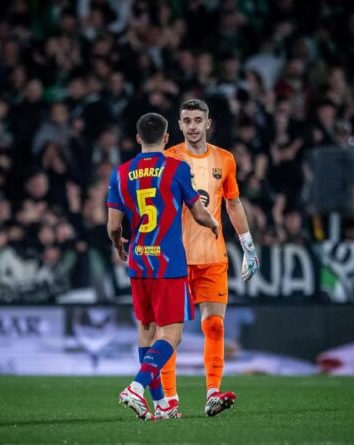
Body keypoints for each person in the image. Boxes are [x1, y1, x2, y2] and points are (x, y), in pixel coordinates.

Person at [107, 113, 219, 420]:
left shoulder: (120, 172)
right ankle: (135, 387)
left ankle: (163, 405)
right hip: (168, 263)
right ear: (167, 138)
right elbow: (198, 212)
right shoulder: (177, 168)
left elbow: (114, 225)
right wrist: (213, 225)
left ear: (138, 137)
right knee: (172, 335)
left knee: (147, 332)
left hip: (138, 261)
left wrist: (120, 245)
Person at [161, 99, 260, 417]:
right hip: (175, 258)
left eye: (197, 120)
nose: (192, 125)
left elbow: (233, 204)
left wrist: (248, 246)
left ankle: (213, 394)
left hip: (213, 258)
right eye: (186, 120)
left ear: (208, 123)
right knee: (169, 332)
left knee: (215, 326)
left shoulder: (224, 159)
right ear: (180, 125)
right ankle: (170, 401)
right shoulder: (168, 158)